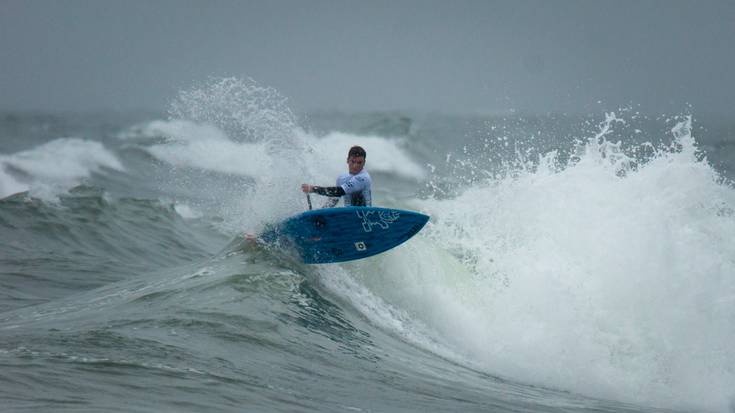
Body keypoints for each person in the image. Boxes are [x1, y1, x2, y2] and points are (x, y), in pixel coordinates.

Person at [301, 145, 372, 207]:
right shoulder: (341, 178)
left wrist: (313, 189)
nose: (355, 166)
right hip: (349, 216)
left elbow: (339, 191)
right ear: (347, 160)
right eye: (353, 161)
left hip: (364, 217)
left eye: (359, 163)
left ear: (364, 163)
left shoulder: (364, 178)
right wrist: (320, 213)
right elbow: (334, 199)